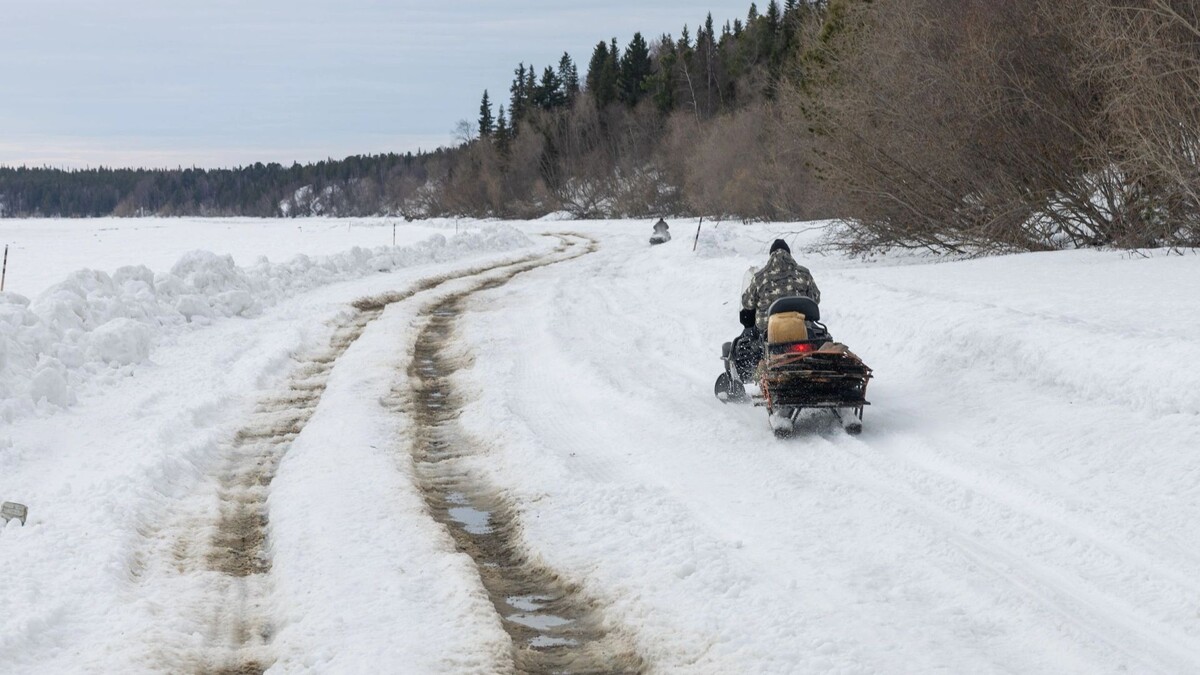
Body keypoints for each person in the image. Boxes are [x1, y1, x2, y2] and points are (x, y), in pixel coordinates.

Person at [741, 239, 820, 332]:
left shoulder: (760, 277)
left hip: (768, 331)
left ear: (770, 255)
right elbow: (815, 298)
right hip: (800, 328)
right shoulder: (804, 274)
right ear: (789, 254)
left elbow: (747, 302)